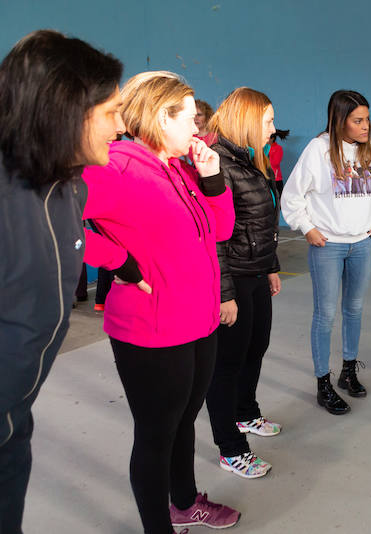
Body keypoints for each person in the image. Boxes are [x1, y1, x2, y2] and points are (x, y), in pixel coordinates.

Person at [82, 71, 240, 533]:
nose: (198, 127)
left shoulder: (180, 167)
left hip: (199, 322)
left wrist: (211, 178)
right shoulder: (115, 166)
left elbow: (221, 230)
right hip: (151, 330)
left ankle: (184, 503)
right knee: (156, 434)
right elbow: (54, 222)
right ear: (159, 117)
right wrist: (116, 259)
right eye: (189, 119)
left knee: (184, 421)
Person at [0, 29, 123, 534]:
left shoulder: (70, 186)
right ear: (67, 111)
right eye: (111, 112)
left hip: (15, 421)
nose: (122, 126)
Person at [281, 90, 371, 415]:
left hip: (362, 243)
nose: (366, 126)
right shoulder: (318, 150)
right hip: (327, 245)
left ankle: (348, 372)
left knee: (354, 309)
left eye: (367, 119)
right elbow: (292, 196)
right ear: (340, 121)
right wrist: (307, 228)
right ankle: (323, 384)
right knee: (326, 314)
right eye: (358, 120)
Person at [204, 87, 280, 479]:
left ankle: (245, 413)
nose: (273, 128)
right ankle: (231, 448)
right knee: (227, 364)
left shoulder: (250, 159)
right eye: (268, 120)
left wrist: (271, 266)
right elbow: (214, 237)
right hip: (232, 277)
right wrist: (225, 295)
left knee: (256, 347)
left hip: (256, 271)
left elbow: (262, 221)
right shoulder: (217, 162)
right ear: (248, 120)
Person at [268, 128, 289, 194]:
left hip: (276, 179)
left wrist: (267, 156)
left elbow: (275, 163)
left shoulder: (278, 148)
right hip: (265, 178)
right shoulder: (264, 148)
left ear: (272, 139)